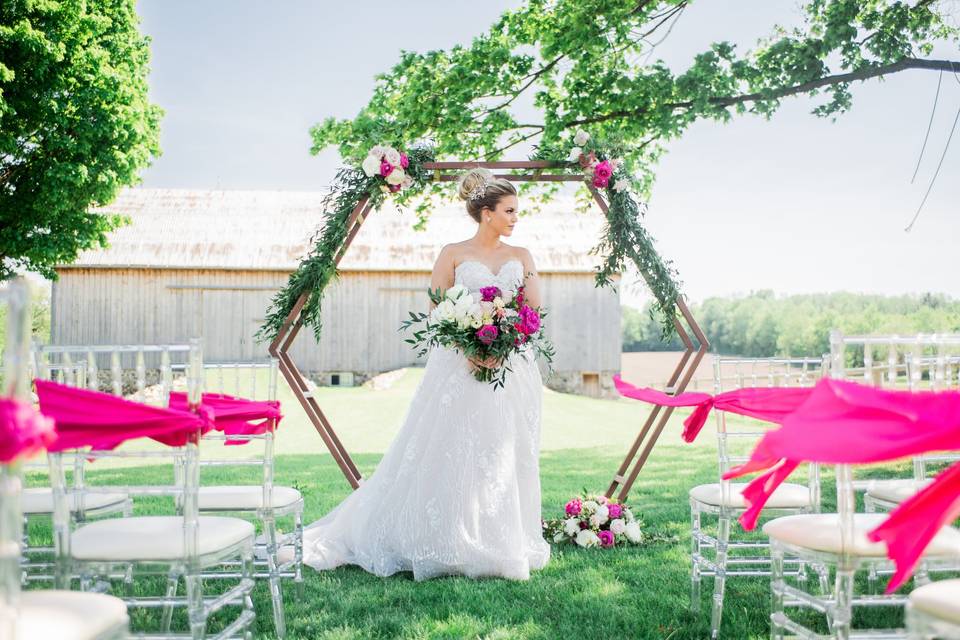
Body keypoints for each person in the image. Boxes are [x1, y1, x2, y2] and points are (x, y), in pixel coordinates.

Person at [300, 168, 550, 581]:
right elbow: (438, 310)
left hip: (510, 366)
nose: (515, 218)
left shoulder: (522, 257)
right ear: (486, 213)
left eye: (516, 211)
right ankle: (442, 538)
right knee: (449, 447)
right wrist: (470, 345)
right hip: (459, 364)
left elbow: (533, 313)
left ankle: (501, 540)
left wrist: (501, 345)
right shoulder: (452, 253)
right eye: (509, 210)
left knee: (503, 451)